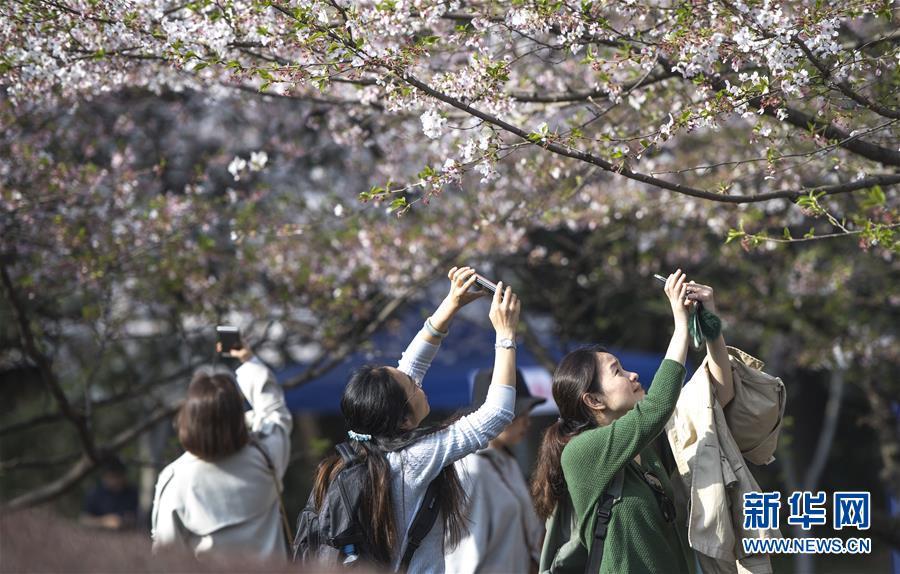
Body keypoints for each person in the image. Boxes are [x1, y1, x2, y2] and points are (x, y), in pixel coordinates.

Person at [309, 266, 521, 573]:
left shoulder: (358, 454)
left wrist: (451, 304)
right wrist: (505, 336)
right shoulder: (412, 460)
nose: (418, 382)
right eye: (413, 387)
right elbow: (497, 414)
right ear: (404, 420)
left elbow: (410, 366)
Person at [533, 270, 735, 574]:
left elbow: (719, 396)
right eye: (618, 372)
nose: (633, 375)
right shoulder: (581, 453)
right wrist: (680, 324)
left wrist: (711, 323)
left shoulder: (647, 450)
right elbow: (656, 408)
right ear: (594, 400)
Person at [151, 338, 292, 561]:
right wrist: (249, 361)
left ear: (188, 419)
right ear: (238, 418)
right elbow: (275, 413)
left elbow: (166, 558)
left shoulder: (175, 479)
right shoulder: (266, 457)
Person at [444, 368, 546, 574]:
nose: (527, 420)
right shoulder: (470, 466)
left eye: (527, 412)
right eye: (518, 412)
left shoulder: (507, 460)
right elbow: (460, 552)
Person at [80, 456, 139, 531]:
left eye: (119, 476)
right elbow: (84, 520)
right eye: (113, 476)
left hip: (125, 537)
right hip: (96, 536)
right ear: (105, 476)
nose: (116, 480)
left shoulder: (132, 493)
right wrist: (104, 522)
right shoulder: (95, 493)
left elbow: (138, 518)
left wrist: (125, 521)